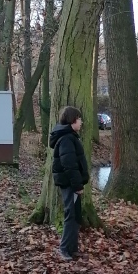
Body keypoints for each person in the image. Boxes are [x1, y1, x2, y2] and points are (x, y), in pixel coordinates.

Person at [49, 106, 89, 261]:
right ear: (73, 120)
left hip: (72, 183)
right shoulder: (66, 139)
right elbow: (69, 165)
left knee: (75, 216)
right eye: (79, 119)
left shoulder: (70, 137)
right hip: (69, 184)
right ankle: (64, 249)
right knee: (70, 215)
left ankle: (72, 249)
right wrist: (77, 186)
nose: (81, 122)